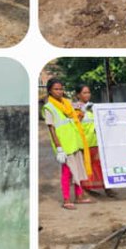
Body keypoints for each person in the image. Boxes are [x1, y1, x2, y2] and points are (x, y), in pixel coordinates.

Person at [43, 79, 93, 209]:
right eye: (56, 89)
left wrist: (82, 111)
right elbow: (52, 129)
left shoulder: (67, 104)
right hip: (64, 145)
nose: (59, 92)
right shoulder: (49, 107)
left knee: (78, 169)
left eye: (61, 89)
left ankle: (79, 196)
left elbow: (76, 120)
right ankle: (66, 199)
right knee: (67, 172)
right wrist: (59, 148)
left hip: (75, 141)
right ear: (50, 90)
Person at [76, 83, 104, 190]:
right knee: (86, 166)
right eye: (84, 93)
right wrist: (82, 111)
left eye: (88, 92)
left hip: (96, 142)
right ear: (78, 95)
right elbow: (75, 123)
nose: (87, 95)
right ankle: (86, 188)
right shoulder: (75, 108)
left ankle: (106, 187)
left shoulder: (93, 107)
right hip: (84, 143)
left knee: (99, 165)